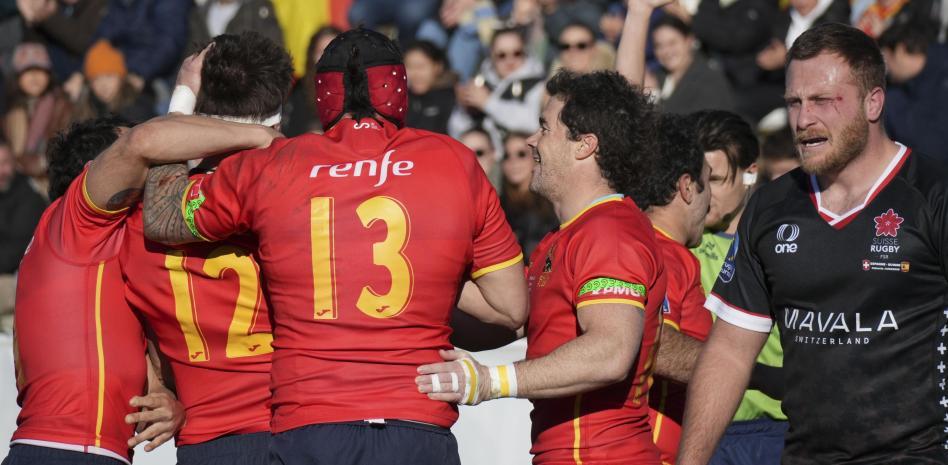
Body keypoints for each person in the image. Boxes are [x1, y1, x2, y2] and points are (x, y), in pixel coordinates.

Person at [140, 27, 527, 465]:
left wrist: (183, 98)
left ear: (322, 95)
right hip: (418, 417)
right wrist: (428, 268)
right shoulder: (454, 160)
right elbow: (511, 307)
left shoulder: (275, 164)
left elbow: (162, 214)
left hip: (313, 421)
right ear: (398, 89)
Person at [679, 22, 948, 464]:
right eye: (794, 103)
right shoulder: (771, 206)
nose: (804, 120)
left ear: (873, 102)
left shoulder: (933, 195)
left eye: (824, 100)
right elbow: (728, 351)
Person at [416, 69, 666, 465]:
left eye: (544, 128)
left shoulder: (609, 232)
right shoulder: (565, 235)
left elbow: (611, 351)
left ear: (584, 146)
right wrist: (426, 274)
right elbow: (512, 322)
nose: (532, 141)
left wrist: (490, 381)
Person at [7, 109, 267, 465]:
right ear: (94, 171)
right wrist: (260, 136)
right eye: (152, 164)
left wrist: (169, 405)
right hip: (66, 451)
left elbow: (131, 363)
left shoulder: (91, 252)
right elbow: (140, 143)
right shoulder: (75, 221)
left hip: (86, 450)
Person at [119, 32, 293, 465]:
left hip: (208, 440)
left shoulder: (132, 222)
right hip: (297, 425)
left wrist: (182, 101)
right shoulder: (298, 199)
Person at [628, 113, 712, 464]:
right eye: (709, 185)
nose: (712, 204)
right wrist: (747, 370)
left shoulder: (636, 243)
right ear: (687, 187)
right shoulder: (665, 255)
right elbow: (655, 344)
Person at [448, 27, 545, 157]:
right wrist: (465, 111)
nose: (510, 61)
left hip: (519, 161)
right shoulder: (481, 82)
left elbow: (532, 122)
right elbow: (456, 131)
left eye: (517, 53)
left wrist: (488, 103)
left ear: (525, 52)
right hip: (483, 159)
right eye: (501, 55)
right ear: (492, 56)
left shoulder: (538, 83)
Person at [3, 41, 72, 191]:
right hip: (15, 182)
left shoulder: (61, 105)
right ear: (17, 77)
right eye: (28, 71)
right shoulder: (11, 109)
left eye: (40, 70)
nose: (34, 77)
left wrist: (29, 164)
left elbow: (63, 150)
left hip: (50, 181)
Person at [879, 22, 948, 161]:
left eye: (886, 60)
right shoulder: (899, 90)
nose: (886, 70)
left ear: (900, 50)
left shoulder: (941, 78)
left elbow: (931, 146)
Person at [0, 140, 45, 332]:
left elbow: (14, 253)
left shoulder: (28, 198)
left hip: (17, 277)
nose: (3, 170)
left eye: (6, 163)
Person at [650, 14, 735, 114]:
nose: (666, 51)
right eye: (659, 46)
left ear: (689, 41)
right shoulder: (655, 78)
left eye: (672, 43)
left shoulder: (710, 81)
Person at [498, 131, 557, 260]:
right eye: (506, 155)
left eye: (521, 154)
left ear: (536, 157)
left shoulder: (552, 202)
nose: (513, 161)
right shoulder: (496, 206)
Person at [71, 39, 155, 124]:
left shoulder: (136, 110)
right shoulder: (88, 113)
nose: (103, 85)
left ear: (122, 78)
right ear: (89, 84)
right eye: (96, 79)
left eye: (109, 76)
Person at [284, 25, 340, 137]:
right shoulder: (300, 90)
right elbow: (291, 133)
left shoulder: (356, 89)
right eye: (321, 52)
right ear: (312, 56)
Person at [404, 40, 456, 135]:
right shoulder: (401, 99)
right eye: (409, 66)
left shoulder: (453, 98)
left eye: (421, 67)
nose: (415, 74)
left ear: (438, 67)